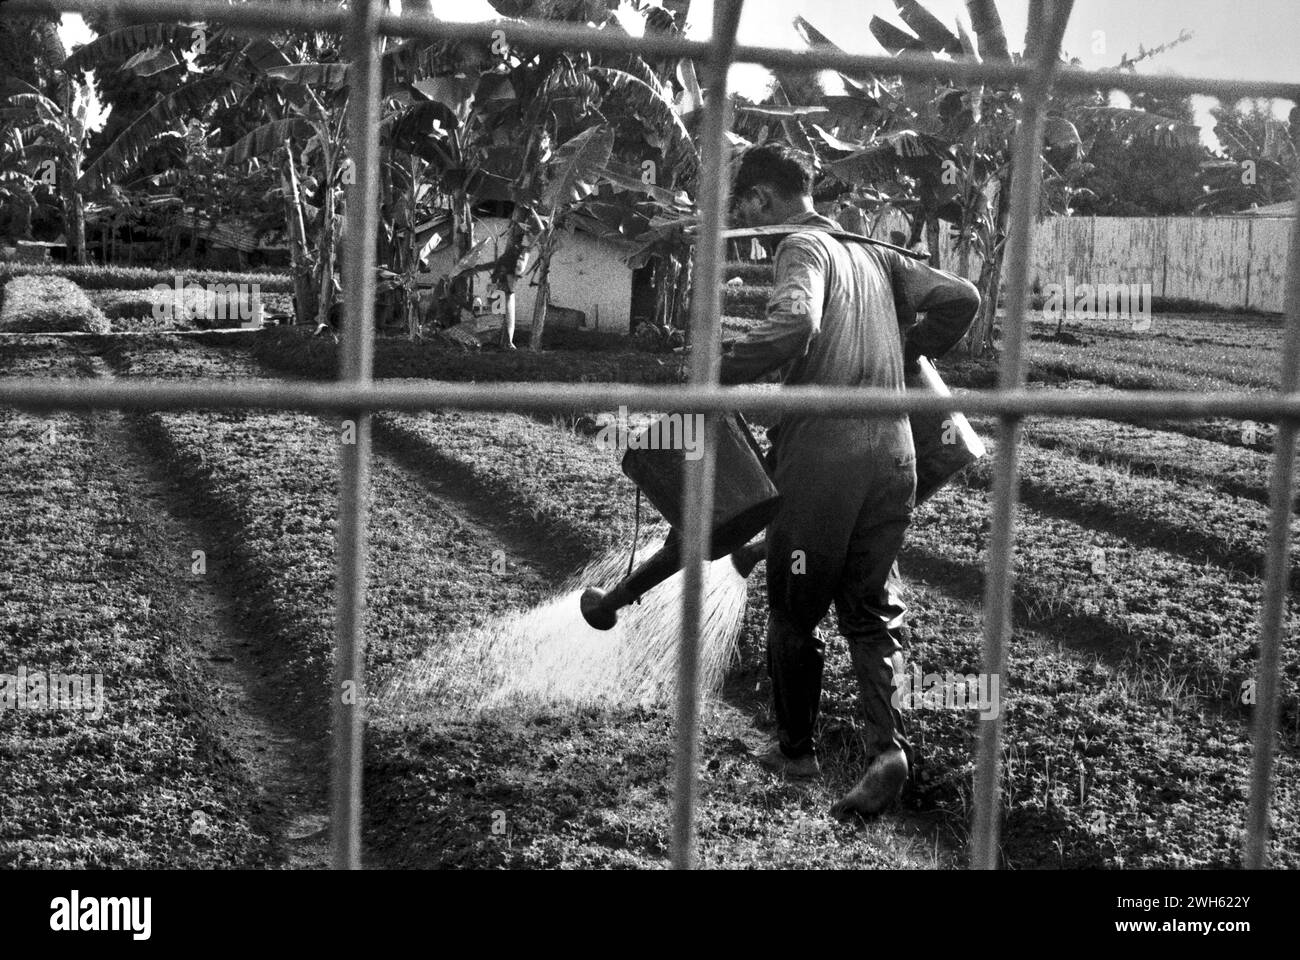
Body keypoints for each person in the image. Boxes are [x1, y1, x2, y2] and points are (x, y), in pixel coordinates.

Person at [722, 144, 980, 818]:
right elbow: (962, 298)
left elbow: (797, 324)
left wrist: (718, 371)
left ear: (762, 199)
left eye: (746, 206)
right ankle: (887, 753)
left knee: (792, 608)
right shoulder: (877, 254)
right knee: (869, 610)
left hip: (824, 457)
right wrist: (906, 348)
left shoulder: (801, 249)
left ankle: (796, 749)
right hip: (895, 458)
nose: (748, 220)